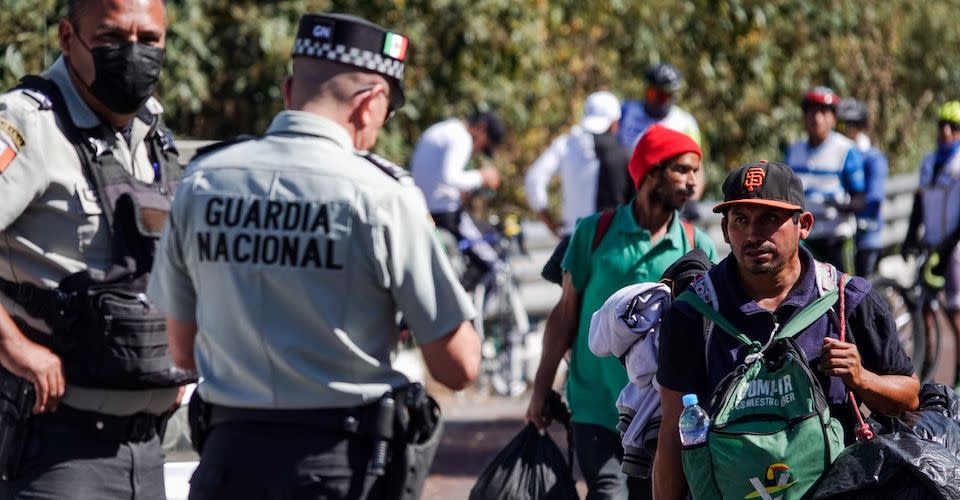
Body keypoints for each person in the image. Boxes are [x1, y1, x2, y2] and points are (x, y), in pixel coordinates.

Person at [147, 13, 482, 500]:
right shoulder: (382, 196)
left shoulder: (202, 182)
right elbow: (459, 366)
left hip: (226, 465)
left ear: (288, 91)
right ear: (369, 104)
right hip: (340, 470)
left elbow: (182, 350)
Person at [0, 0, 193, 498]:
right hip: (55, 449)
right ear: (67, 38)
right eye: (110, 38)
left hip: (149, 451)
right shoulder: (28, 125)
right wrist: (15, 348)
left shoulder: (152, 133)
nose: (133, 54)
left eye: (149, 40)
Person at [654, 161, 919, 500]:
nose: (753, 235)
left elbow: (910, 398)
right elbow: (672, 431)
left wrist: (862, 378)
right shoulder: (694, 313)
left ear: (803, 225)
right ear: (724, 231)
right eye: (741, 220)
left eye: (769, 219)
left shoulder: (847, 301)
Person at [526, 124, 717, 499]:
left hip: (662, 415)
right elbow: (564, 315)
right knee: (608, 494)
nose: (693, 182)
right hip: (595, 405)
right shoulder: (593, 233)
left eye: (695, 171)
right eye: (682, 169)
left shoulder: (696, 245)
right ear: (650, 171)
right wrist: (540, 390)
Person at [410, 110, 506, 289]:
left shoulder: (444, 129)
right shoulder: (461, 137)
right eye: (484, 146)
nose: (478, 151)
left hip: (425, 209)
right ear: (481, 128)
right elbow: (450, 176)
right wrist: (482, 177)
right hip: (446, 213)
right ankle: (462, 308)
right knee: (492, 260)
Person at [903, 101, 960, 384]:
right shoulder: (929, 161)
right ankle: (925, 367)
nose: (946, 131)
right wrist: (909, 237)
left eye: (954, 127)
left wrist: (948, 245)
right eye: (942, 125)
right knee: (922, 305)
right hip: (931, 245)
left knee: (955, 309)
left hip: (955, 247)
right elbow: (918, 201)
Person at [525, 90, 632, 238]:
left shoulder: (565, 144)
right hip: (611, 241)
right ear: (615, 123)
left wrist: (549, 222)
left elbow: (534, 178)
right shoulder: (624, 154)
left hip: (573, 241)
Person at [785, 86, 866, 272]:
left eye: (823, 112)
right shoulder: (794, 151)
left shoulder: (846, 150)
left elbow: (859, 199)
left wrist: (835, 205)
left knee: (844, 294)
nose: (816, 118)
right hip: (804, 238)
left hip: (835, 237)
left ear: (834, 118)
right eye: (811, 112)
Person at [618, 63, 705, 222]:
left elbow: (697, 166)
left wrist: (692, 198)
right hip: (623, 193)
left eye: (664, 96)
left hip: (663, 196)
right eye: (653, 94)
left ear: (674, 96)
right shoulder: (626, 110)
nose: (658, 101)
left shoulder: (684, 122)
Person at [837, 98, 888, 278]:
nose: (843, 130)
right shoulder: (835, 154)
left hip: (867, 236)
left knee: (865, 288)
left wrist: (842, 206)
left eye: (849, 125)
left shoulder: (873, 158)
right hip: (841, 235)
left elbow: (874, 197)